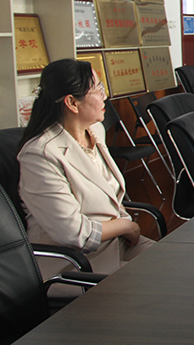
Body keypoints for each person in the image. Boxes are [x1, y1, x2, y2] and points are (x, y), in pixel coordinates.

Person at [17, 59, 154, 285]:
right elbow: (73, 233)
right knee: (162, 285)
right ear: (72, 102)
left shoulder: (95, 130)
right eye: (98, 89)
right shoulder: (39, 155)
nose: (105, 96)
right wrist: (126, 225)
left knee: (180, 265)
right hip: (76, 264)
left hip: (116, 245)